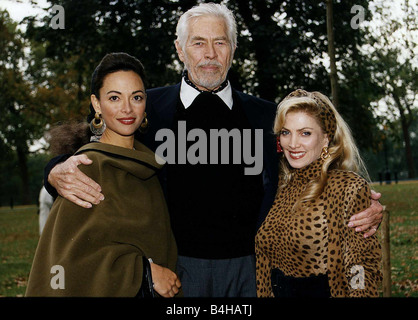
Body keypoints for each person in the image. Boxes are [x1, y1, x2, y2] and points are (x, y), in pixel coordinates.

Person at [43, 3, 383, 297]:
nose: (210, 53)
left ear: (233, 49)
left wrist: (358, 204)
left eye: (220, 42)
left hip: (253, 268)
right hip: (174, 266)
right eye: (199, 42)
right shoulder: (146, 108)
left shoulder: (267, 115)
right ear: (180, 49)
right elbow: (91, 148)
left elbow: (312, 163)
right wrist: (55, 170)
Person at [26, 52, 181, 297]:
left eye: (137, 97)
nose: (127, 109)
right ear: (97, 104)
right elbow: (67, 264)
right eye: (114, 98)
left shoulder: (150, 167)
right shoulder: (85, 167)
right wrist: (144, 272)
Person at [256, 89, 382, 297]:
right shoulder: (279, 185)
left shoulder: (347, 187)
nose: (293, 143)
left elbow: (359, 268)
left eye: (305, 133)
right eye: (286, 132)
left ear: (325, 139)